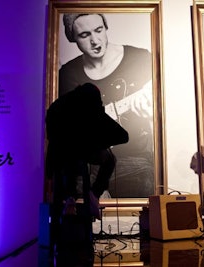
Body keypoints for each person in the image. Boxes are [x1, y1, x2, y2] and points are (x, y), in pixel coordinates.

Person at [58, 13, 154, 197]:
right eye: (84, 35)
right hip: (86, 165)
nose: (95, 40)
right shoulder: (68, 74)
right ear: (73, 39)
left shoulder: (140, 58)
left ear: (105, 27)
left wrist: (153, 103)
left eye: (98, 30)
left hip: (135, 161)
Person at [45, 83, 129, 219]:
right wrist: (100, 141)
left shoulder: (57, 106)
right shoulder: (90, 103)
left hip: (57, 156)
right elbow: (123, 136)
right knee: (109, 159)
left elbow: (51, 136)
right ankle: (94, 195)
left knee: (69, 160)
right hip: (75, 153)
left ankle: (69, 199)